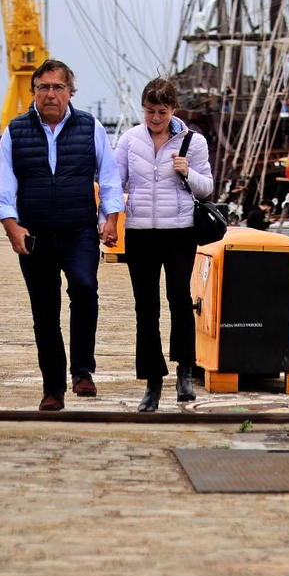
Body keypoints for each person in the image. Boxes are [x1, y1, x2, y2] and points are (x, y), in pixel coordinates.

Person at [0, 59, 123, 411]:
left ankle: (82, 370)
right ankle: (53, 388)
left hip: (78, 230)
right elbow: (3, 185)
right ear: (33, 92)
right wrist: (10, 225)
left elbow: (109, 177)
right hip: (34, 235)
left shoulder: (90, 127)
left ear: (70, 92)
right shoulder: (15, 132)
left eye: (58, 87)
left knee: (85, 287)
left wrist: (110, 219)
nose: (51, 94)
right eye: (43, 87)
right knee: (44, 312)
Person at [115, 77, 213, 412]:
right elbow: (117, 181)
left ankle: (185, 371)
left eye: (161, 111)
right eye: (149, 111)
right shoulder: (130, 140)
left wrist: (187, 173)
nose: (155, 118)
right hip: (140, 231)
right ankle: (152, 383)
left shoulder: (192, 142)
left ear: (173, 109)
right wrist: (108, 219)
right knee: (145, 307)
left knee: (179, 298)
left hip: (179, 230)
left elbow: (207, 188)